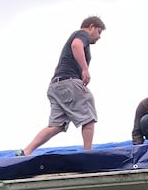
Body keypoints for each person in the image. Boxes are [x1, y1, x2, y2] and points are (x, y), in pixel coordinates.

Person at [23, 16, 106, 155]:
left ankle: (26, 151)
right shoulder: (82, 34)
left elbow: (58, 67)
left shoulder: (73, 41)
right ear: (91, 26)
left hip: (56, 85)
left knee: (56, 126)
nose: (99, 37)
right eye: (99, 31)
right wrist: (85, 69)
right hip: (69, 82)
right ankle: (88, 154)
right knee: (88, 118)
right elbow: (76, 45)